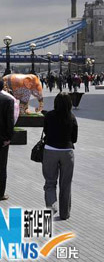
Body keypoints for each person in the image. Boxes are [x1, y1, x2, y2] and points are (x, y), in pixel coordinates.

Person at [42, 92, 77, 220]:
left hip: (50, 150)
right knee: (66, 183)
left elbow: (46, 131)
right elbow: (75, 138)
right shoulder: (72, 117)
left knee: (50, 182)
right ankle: (64, 213)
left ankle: (51, 205)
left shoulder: (49, 115)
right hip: (67, 152)